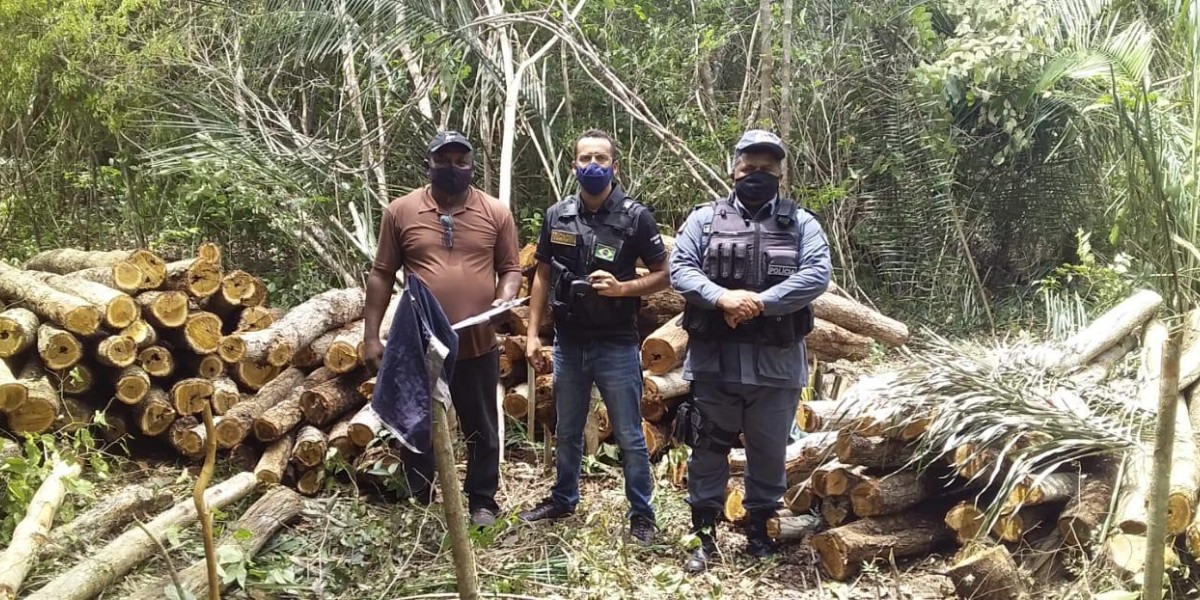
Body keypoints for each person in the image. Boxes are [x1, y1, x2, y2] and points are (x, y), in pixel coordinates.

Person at [669, 130, 831, 572]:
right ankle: (703, 537)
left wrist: (760, 301)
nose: (756, 175)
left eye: (766, 169)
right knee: (706, 450)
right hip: (715, 364)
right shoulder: (705, 220)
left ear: (779, 174)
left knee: (768, 451)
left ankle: (759, 531)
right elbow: (680, 269)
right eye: (748, 168)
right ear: (733, 170)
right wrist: (722, 298)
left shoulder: (802, 223)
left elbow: (818, 273)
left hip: (776, 365)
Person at [516, 129, 669, 545]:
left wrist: (623, 288)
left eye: (602, 159)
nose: (593, 166)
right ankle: (563, 498)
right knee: (567, 427)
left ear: (615, 167)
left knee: (630, 435)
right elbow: (542, 275)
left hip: (616, 342)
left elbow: (664, 274)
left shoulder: (636, 217)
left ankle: (642, 515)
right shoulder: (557, 216)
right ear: (574, 166)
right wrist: (532, 336)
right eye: (585, 159)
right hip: (569, 341)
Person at [362, 130, 523, 528]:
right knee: (418, 421)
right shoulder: (401, 211)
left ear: (471, 167)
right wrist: (370, 335)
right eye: (444, 161)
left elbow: (512, 269)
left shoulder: (495, 212)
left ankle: (482, 501)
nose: (453, 168)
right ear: (428, 164)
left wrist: (504, 298)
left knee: (482, 427)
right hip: (420, 344)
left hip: (477, 342)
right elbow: (382, 273)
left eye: (461, 162)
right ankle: (419, 498)